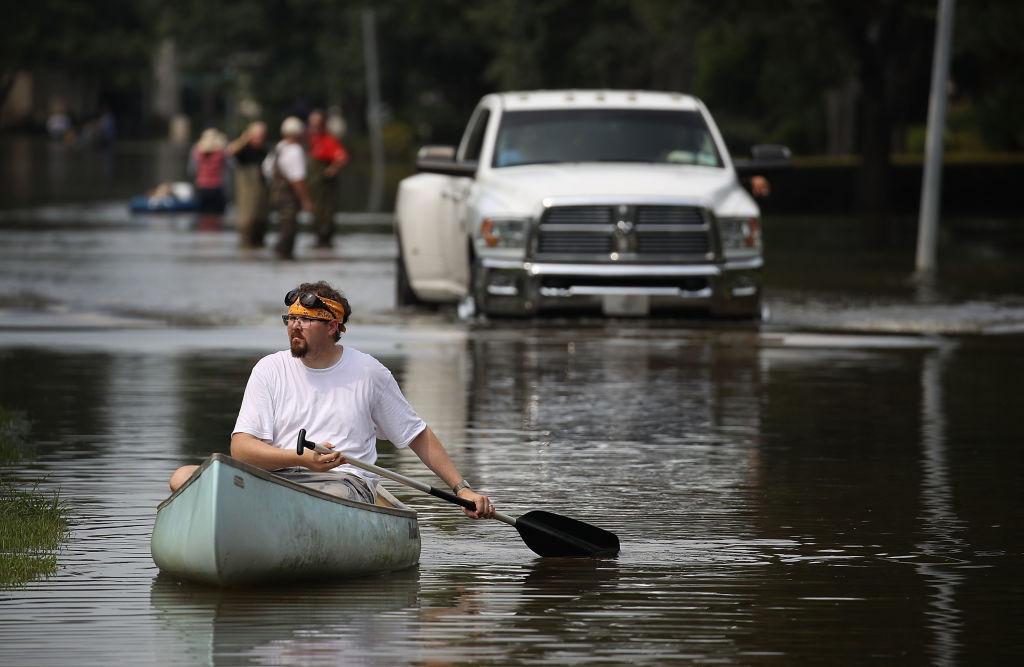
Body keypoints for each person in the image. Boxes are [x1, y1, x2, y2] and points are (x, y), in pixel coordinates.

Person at [167, 280, 496, 520]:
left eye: (306, 320)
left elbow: (417, 435)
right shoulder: (269, 369)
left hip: (344, 485)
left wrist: (461, 488)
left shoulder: (368, 372)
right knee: (183, 477)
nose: (295, 326)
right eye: (291, 319)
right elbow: (241, 448)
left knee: (317, 496)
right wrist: (298, 459)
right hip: (278, 478)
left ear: (332, 326)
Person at [263, 117, 314, 259]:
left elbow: (266, 169)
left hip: (274, 193)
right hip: (288, 195)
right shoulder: (295, 150)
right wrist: (305, 200)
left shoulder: (278, 147)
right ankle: (283, 255)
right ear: (297, 133)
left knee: (283, 225)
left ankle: (278, 253)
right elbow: (297, 179)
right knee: (289, 228)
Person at [306, 109, 349, 248]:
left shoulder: (328, 141)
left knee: (325, 221)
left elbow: (342, 158)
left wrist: (331, 170)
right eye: (312, 123)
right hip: (314, 191)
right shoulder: (310, 141)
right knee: (315, 218)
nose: (314, 127)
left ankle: (325, 244)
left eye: (317, 124)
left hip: (325, 192)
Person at [226, 121, 269, 248]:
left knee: (260, 227)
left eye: (262, 136)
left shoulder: (264, 151)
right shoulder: (243, 151)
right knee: (247, 228)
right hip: (247, 204)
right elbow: (229, 151)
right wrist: (245, 138)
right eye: (257, 136)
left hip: (261, 202)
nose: (260, 139)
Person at [189, 128, 228, 214]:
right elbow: (229, 167)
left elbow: (192, 170)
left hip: (202, 187)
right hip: (217, 187)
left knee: (202, 216)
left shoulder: (196, 152)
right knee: (218, 216)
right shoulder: (222, 153)